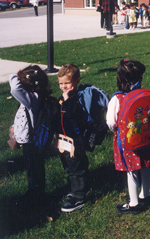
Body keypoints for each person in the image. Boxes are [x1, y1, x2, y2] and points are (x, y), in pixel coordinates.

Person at [106, 59, 150, 215]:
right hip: (145, 138)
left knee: (131, 169)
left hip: (127, 142)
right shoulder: (144, 94)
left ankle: (134, 203)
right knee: (145, 166)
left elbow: (111, 122)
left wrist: (116, 129)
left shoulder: (117, 99)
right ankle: (145, 195)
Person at [9, 65, 52, 204]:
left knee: (34, 169)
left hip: (31, 142)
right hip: (28, 141)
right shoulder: (31, 98)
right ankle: (35, 192)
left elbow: (15, 89)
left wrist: (14, 75)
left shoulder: (32, 98)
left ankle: (36, 195)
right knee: (33, 168)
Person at [57, 64, 91, 213]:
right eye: (61, 83)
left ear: (76, 81)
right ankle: (74, 188)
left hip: (75, 140)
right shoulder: (64, 97)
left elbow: (72, 114)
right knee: (69, 165)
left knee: (77, 165)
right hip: (63, 140)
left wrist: (67, 100)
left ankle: (79, 196)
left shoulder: (77, 98)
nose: (64, 87)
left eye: (67, 83)